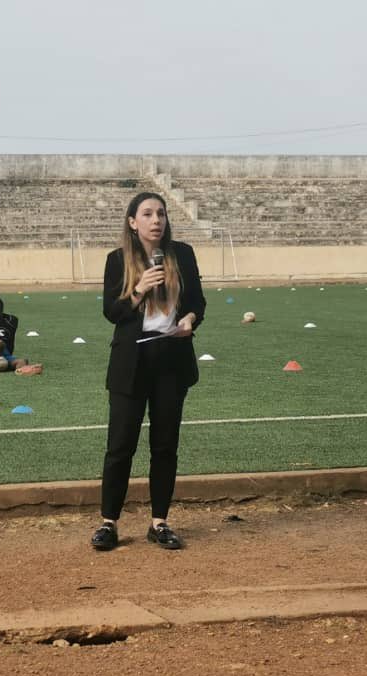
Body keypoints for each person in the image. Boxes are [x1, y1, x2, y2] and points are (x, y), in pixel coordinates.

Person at [91, 192, 206, 553]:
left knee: (165, 446)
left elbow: (197, 303)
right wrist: (139, 290)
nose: (156, 220)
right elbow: (112, 312)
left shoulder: (182, 254)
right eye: (147, 214)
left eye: (161, 213)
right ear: (132, 222)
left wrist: (189, 320)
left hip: (171, 362)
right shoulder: (117, 260)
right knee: (120, 447)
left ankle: (159, 522)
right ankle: (108, 523)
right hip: (131, 365)